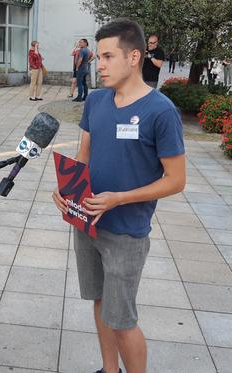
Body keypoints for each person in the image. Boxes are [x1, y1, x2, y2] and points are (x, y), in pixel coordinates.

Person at [52, 18, 185, 373]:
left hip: (126, 232)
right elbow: (84, 157)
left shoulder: (161, 111)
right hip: (87, 224)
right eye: (99, 56)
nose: (101, 64)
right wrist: (67, 191)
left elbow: (175, 180)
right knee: (99, 302)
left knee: (122, 319)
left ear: (134, 57)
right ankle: (109, 370)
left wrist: (119, 198)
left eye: (109, 56)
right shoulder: (96, 101)